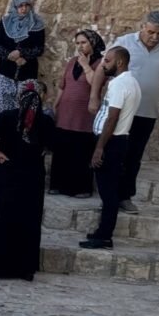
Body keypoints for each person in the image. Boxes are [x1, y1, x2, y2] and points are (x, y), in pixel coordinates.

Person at [90, 11, 159, 215]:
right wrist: (94, 96)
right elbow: (102, 68)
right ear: (142, 27)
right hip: (120, 112)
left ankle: (125, 197)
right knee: (114, 154)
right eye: (151, 32)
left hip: (147, 113)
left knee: (134, 157)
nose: (155, 37)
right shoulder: (124, 43)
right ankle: (109, 198)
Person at [0, 82, 55, 280]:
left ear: (20, 98)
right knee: (28, 221)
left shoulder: (6, 117)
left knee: (1, 218)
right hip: (32, 177)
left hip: (6, 175)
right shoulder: (45, 121)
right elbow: (53, 145)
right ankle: (24, 269)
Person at [80, 47, 142, 249]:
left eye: (107, 61)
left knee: (108, 193)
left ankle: (105, 237)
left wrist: (99, 148)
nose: (103, 64)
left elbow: (112, 118)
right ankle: (101, 233)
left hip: (111, 142)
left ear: (120, 63)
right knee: (109, 191)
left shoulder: (119, 84)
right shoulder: (131, 82)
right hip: (116, 141)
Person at [50, 30, 105, 197]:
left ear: (93, 43)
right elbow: (63, 85)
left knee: (80, 150)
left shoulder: (101, 63)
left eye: (84, 43)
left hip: (84, 115)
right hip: (66, 112)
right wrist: (56, 103)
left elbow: (95, 83)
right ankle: (57, 185)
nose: (80, 46)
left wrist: (86, 66)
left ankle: (80, 188)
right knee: (62, 149)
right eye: (78, 43)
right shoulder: (72, 61)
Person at [0, 0, 46, 113]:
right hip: (5, 73)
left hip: (27, 73)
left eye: (26, 5)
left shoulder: (37, 24)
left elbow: (39, 48)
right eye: (20, 5)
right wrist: (9, 56)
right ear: (15, 6)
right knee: (3, 112)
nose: (24, 8)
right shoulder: (5, 22)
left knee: (25, 112)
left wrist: (21, 53)